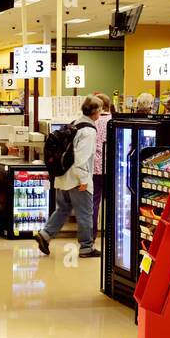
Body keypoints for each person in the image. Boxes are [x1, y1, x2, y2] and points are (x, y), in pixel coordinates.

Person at [36, 95, 103, 259]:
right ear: (96, 112)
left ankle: (45, 234)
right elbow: (82, 159)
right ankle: (86, 247)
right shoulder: (89, 131)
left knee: (63, 209)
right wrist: (84, 181)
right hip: (76, 179)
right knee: (85, 213)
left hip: (62, 175)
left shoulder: (75, 123)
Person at [91, 93, 112, 236]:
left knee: (93, 202)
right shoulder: (113, 121)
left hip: (94, 167)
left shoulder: (92, 122)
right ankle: (112, 232)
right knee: (112, 202)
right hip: (111, 167)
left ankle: (91, 234)